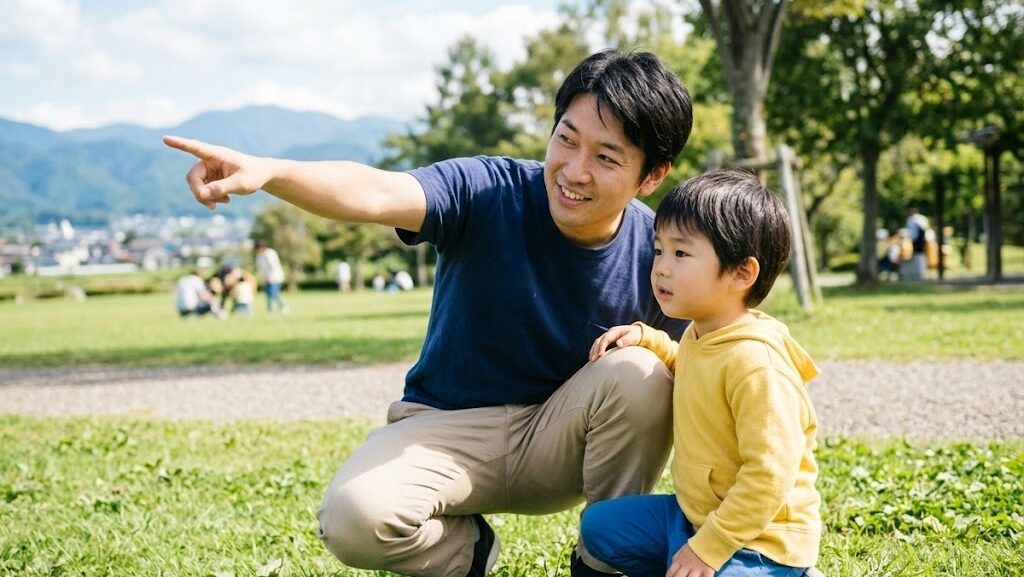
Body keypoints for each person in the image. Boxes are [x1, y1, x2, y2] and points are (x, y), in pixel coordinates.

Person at [164, 48, 693, 577]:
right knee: (354, 516)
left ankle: (604, 562)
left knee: (645, 370)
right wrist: (269, 171)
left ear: (652, 175)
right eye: (566, 139)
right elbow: (376, 191)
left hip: (563, 442)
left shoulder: (659, 255)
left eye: (606, 157)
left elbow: (713, 370)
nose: (574, 170)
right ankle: (468, 556)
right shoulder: (489, 190)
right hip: (448, 430)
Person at [582, 170, 821, 577]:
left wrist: (709, 549)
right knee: (599, 528)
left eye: (681, 254)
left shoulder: (756, 364)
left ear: (742, 273)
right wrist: (648, 339)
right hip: (695, 514)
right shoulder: (704, 333)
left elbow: (769, 476)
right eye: (658, 251)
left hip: (759, 540)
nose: (660, 268)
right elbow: (693, 370)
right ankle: (687, 554)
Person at [254, 239, 289, 314]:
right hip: (266, 278)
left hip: (275, 277)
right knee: (269, 294)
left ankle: (281, 307)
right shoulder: (259, 256)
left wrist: (271, 277)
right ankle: (273, 309)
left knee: (273, 292)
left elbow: (273, 266)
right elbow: (259, 267)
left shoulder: (270, 254)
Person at [904, 208, 929, 281]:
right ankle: (918, 271)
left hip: (919, 240)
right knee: (917, 254)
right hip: (915, 239)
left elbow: (922, 230)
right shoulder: (912, 219)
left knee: (919, 254)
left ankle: (920, 272)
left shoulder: (918, 219)